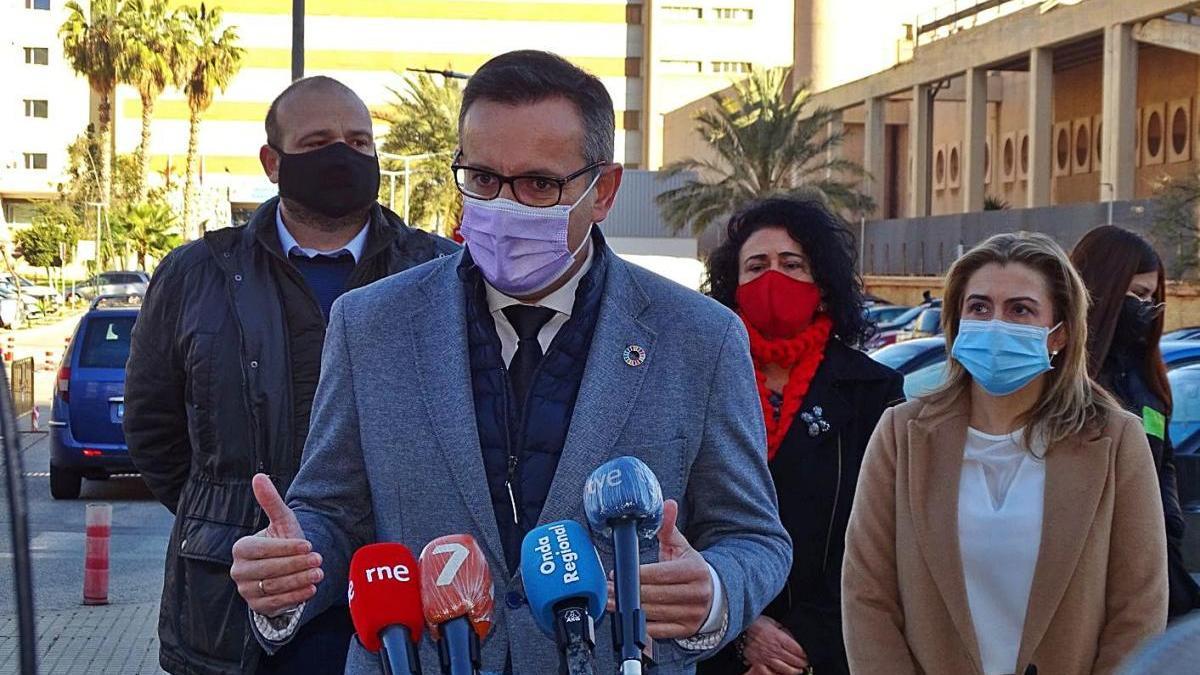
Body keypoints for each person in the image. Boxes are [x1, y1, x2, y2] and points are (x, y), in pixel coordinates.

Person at [228, 50, 791, 674]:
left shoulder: (700, 338)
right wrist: (290, 568)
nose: (506, 205)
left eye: (539, 184)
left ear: (603, 190)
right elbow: (331, 511)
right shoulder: (371, 324)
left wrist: (711, 593)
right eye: (484, 179)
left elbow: (754, 536)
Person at [124, 76, 457, 675]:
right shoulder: (195, 274)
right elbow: (155, 431)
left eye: (360, 142)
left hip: (401, 602)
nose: (344, 156)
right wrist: (229, 515)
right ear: (272, 162)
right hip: (234, 607)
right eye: (321, 141)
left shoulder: (440, 270)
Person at [842, 232, 1168, 675]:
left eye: (1020, 309)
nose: (996, 323)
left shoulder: (1116, 441)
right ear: (957, 322)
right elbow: (867, 594)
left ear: (1060, 334)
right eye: (979, 307)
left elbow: (1138, 608)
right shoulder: (902, 435)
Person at [697, 198, 903, 675]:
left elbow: (883, 536)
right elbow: (678, 515)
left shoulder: (873, 392)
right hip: (714, 645)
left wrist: (802, 640)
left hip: (827, 652)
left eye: (792, 264)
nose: (774, 278)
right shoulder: (697, 380)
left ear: (824, 286)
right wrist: (742, 626)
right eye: (756, 266)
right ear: (734, 288)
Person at [1071, 225, 1200, 619]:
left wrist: (1170, 527)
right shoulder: (1066, 379)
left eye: (1153, 297)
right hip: (1089, 577)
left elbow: (1162, 463)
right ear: (1100, 291)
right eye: (1138, 296)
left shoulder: (1146, 377)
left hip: (1154, 566)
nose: (1148, 309)